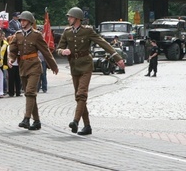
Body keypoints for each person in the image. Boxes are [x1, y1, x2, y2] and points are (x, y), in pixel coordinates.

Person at [57, 7, 125, 135]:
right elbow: (59, 48)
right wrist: (62, 51)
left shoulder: (87, 31)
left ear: (77, 18)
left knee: (81, 94)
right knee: (78, 98)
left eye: (70, 17)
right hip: (74, 66)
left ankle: (75, 121)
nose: (68, 19)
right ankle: (87, 126)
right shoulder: (67, 32)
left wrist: (117, 57)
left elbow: (102, 43)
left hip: (86, 65)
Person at [9, 11, 58, 131]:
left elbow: (45, 51)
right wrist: (11, 59)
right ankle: (37, 121)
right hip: (23, 66)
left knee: (30, 92)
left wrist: (53, 66)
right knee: (30, 94)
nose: (22, 22)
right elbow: (13, 49)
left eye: (24, 20)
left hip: (35, 66)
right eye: (21, 20)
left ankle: (26, 118)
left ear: (30, 22)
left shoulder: (36, 35)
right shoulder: (18, 34)